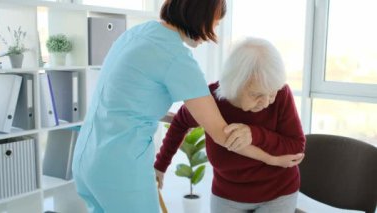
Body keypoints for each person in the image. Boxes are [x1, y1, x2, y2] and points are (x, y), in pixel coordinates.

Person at [71, 0, 263, 212]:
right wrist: (275, 158)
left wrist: (170, 118)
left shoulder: (137, 33)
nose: (213, 33)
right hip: (120, 170)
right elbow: (222, 135)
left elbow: (121, 100)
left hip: (86, 159)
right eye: (214, 24)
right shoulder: (177, 58)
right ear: (200, 16)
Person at [154, 37, 306, 213]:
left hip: (278, 193)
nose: (266, 102)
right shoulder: (209, 100)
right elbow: (180, 122)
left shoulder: (281, 94)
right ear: (235, 84)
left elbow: (296, 148)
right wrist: (160, 165)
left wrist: (255, 134)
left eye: (271, 94)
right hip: (227, 195)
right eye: (257, 95)